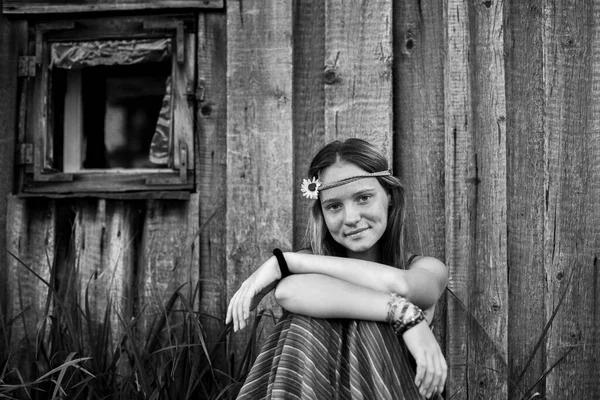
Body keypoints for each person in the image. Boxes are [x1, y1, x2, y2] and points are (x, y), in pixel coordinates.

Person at [226, 138, 448, 399]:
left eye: (363, 198)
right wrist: (401, 312)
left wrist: (285, 262)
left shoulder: (425, 267)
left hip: (389, 387)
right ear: (321, 212)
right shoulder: (310, 269)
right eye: (334, 206)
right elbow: (287, 291)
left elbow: (405, 286)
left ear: (389, 196)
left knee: (363, 325)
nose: (351, 218)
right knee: (302, 322)